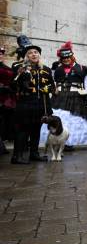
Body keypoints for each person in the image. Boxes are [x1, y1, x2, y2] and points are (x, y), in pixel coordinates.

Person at [41, 41, 87, 150]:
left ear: (72, 57)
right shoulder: (56, 69)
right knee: (59, 117)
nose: (66, 59)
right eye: (64, 58)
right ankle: (56, 141)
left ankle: (69, 142)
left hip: (75, 97)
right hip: (59, 97)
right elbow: (51, 81)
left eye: (68, 57)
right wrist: (53, 90)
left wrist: (85, 94)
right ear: (61, 59)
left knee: (73, 119)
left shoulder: (82, 68)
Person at [11, 35, 54, 164]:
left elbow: (52, 85)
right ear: (26, 56)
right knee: (23, 130)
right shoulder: (19, 67)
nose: (34, 54)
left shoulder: (45, 69)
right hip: (25, 104)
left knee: (36, 129)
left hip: (41, 104)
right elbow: (13, 85)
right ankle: (17, 156)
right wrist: (21, 73)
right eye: (30, 53)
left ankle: (34, 153)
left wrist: (48, 89)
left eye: (36, 52)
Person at [0, 46, 16, 154]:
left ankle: (1, 144)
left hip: (7, 98)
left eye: (1, 53)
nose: (0, 55)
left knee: (4, 122)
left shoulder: (6, 67)